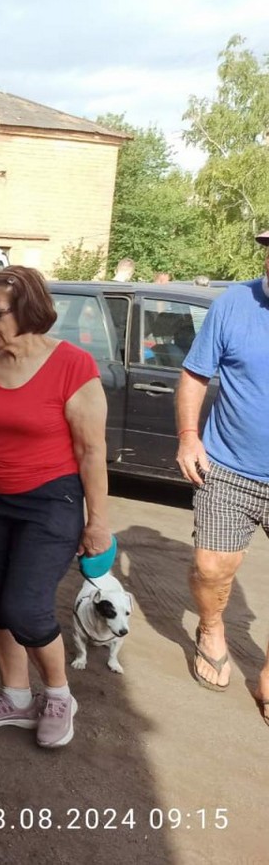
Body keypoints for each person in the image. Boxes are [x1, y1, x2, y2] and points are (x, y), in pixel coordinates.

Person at [0, 266, 110, 749]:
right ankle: (14, 698)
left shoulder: (73, 366)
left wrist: (98, 523)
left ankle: (57, 696)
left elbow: (92, 451)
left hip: (49, 500)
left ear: (28, 310)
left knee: (26, 609)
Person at [175, 230, 269, 725]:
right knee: (212, 569)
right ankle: (210, 628)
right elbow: (194, 374)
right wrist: (190, 436)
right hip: (229, 468)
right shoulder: (234, 304)